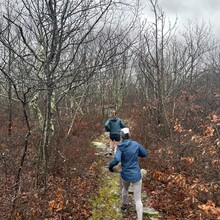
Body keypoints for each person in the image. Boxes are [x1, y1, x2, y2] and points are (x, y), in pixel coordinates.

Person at [108, 127, 147, 220]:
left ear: (121, 136)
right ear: (129, 135)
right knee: (138, 199)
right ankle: (139, 218)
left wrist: (110, 166)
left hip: (125, 174)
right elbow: (144, 154)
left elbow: (117, 159)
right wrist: (136, 153)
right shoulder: (136, 144)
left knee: (125, 189)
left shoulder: (120, 146)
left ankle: (124, 205)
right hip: (136, 175)